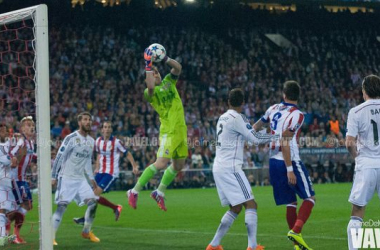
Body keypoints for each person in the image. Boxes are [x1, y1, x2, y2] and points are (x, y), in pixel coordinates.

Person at [206, 88, 277, 250]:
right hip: (231, 168)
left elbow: (246, 133)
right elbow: (256, 140)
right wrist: (277, 135)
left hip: (218, 166)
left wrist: (261, 130)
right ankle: (252, 246)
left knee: (236, 207)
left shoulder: (222, 118)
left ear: (228, 101)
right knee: (251, 204)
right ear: (243, 103)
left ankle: (214, 245)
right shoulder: (239, 118)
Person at [254, 81, 315, 250]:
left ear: (284, 94)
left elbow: (255, 128)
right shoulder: (298, 115)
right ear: (298, 95)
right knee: (310, 198)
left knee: (290, 202)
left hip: (273, 161)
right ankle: (296, 231)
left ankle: (296, 245)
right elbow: (285, 141)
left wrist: (258, 140)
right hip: (290, 160)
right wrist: (290, 169)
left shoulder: (272, 108)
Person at [127, 46, 188, 212]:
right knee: (161, 163)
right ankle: (134, 191)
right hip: (168, 132)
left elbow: (178, 68)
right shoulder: (149, 92)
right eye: (152, 74)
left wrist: (165, 58)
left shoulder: (169, 81)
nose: (156, 75)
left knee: (178, 166)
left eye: (156, 72)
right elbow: (151, 87)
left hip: (181, 131)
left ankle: (159, 192)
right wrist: (148, 65)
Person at [73, 121, 138, 225]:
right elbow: (99, 154)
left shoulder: (116, 142)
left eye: (109, 127)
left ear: (111, 130)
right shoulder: (98, 141)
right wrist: (97, 167)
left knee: (94, 195)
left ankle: (86, 219)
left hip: (111, 173)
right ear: (102, 130)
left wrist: (134, 166)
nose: (107, 129)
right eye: (105, 127)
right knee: (90, 196)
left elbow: (127, 153)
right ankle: (115, 207)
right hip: (101, 172)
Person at [51, 112, 99, 245]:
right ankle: (51, 236)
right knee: (62, 207)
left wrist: (92, 179)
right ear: (79, 122)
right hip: (66, 178)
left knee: (93, 204)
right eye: (85, 120)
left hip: (81, 179)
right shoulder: (71, 138)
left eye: (89, 120)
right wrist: (53, 176)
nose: (88, 122)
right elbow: (59, 157)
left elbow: (88, 161)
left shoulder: (91, 141)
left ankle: (86, 231)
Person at [346, 75, 380, 250]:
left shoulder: (356, 111)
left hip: (366, 163)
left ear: (364, 90)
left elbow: (349, 142)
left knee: (358, 212)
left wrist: (356, 157)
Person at [8, 116, 36, 244]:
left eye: (32, 125)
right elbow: (11, 154)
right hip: (16, 178)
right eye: (28, 125)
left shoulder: (30, 142)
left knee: (25, 205)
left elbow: (29, 158)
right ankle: (13, 234)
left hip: (22, 179)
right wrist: (15, 160)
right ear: (22, 128)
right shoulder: (21, 141)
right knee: (25, 204)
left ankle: (8, 230)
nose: (31, 127)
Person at [0, 124, 22, 246]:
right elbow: (9, 161)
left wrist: (18, 138)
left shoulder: (6, 143)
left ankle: (3, 235)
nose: (4, 132)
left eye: (5, 130)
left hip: (6, 183)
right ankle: (2, 237)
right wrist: (17, 148)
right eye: (1, 131)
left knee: (11, 210)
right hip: (1, 183)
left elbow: (15, 141)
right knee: (2, 210)